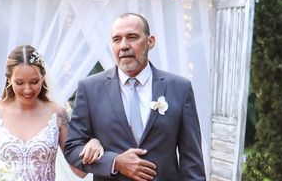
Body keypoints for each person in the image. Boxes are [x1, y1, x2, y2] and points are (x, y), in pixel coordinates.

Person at [64, 13, 206, 181]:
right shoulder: (90, 89)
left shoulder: (179, 88)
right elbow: (72, 148)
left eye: (132, 37)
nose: (124, 46)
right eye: (116, 39)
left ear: (150, 41)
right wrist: (114, 162)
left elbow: (192, 161)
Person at [0, 45, 104, 181]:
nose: (27, 90)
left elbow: (79, 171)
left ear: (42, 78)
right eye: (19, 83)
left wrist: (94, 142)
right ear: (9, 80)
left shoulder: (58, 114)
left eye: (34, 82)